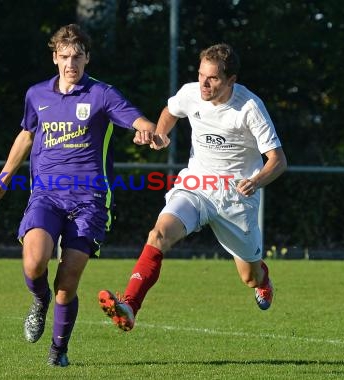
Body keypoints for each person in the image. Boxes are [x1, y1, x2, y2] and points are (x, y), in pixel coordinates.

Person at [0, 24, 156, 366]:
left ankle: (59, 350)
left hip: (90, 201)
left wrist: (149, 131)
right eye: (64, 56)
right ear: (54, 57)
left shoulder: (102, 94)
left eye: (77, 56)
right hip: (46, 195)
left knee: (67, 281)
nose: (71, 63)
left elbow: (137, 120)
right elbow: (26, 137)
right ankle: (39, 301)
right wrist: (2, 181)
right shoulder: (37, 95)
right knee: (35, 260)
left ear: (87, 57)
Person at [98, 43, 287, 331]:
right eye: (201, 75)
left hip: (236, 198)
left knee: (250, 277)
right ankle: (130, 305)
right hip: (196, 185)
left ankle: (264, 279)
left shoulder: (249, 107)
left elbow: (278, 160)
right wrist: (160, 134)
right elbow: (171, 109)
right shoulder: (190, 93)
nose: (204, 83)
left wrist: (256, 180)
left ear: (231, 80)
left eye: (212, 78)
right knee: (158, 234)